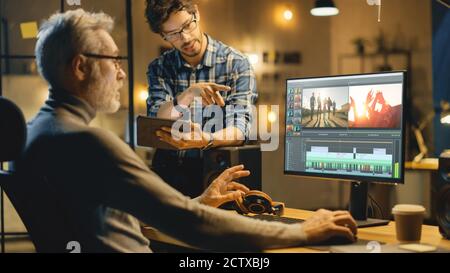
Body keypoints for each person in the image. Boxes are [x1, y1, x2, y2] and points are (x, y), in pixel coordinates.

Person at [16, 9, 357, 253]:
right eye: (113, 62)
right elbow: (194, 225)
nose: (121, 74)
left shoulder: (38, 133)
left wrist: (199, 202)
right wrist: (304, 231)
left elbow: (113, 220)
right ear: (80, 66)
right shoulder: (89, 143)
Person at [145, 0, 257, 197]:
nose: (185, 38)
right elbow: (157, 117)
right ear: (163, 35)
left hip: (216, 171)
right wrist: (188, 94)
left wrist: (206, 139)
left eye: (188, 25)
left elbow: (241, 129)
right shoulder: (159, 68)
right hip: (168, 173)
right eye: (173, 34)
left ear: (196, 13)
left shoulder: (236, 64)